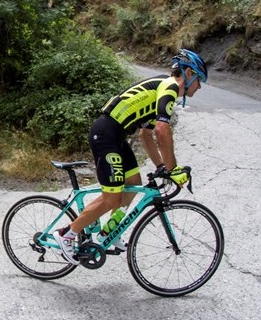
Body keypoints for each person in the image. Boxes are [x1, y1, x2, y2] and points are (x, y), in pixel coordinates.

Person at [53, 49, 208, 265]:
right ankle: (66, 234)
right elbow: (162, 131)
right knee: (112, 198)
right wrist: (173, 170)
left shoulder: (161, 90)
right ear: (189, 73)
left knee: (134, 183)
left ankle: (110, 233)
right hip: (106, 134)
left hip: (116, 136)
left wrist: (162, 166)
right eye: (199, 80)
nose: (199, 87)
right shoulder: (170, 87)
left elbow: (146, 133)